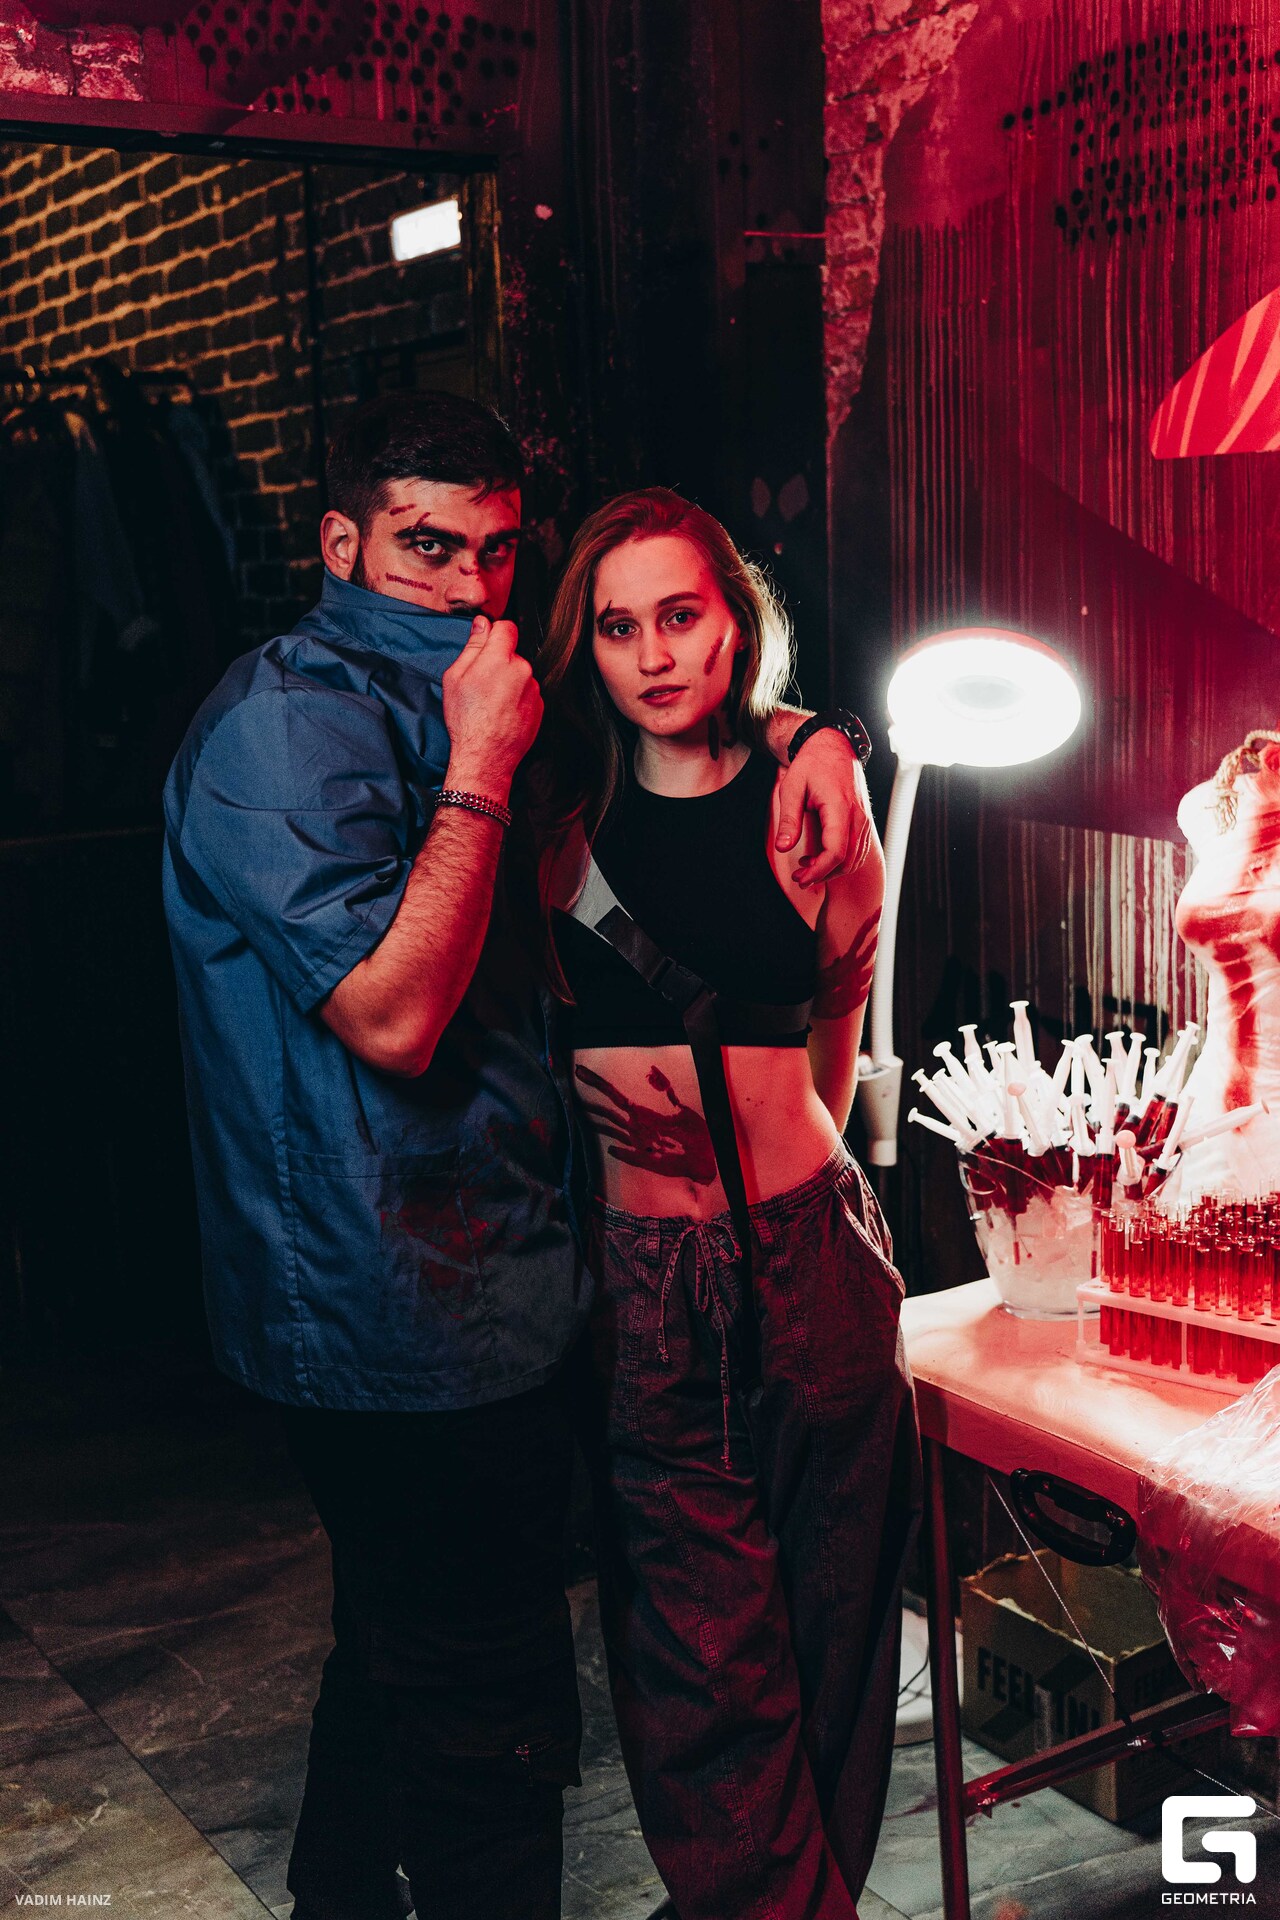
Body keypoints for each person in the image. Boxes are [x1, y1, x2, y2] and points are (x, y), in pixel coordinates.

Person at [161, 393, 873, 1920]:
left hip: (544, 1279)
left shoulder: (503, 705)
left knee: (400, 1662)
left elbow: (684, 721)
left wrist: (819, 732)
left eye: (494, 554)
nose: (466, 588)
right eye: (425, 549)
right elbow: (393, 1017)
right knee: (497, 1722)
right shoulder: (292, 723)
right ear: (340, 543)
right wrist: (483, 761)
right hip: (398, 1312)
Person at [537, 488, 923, 1920]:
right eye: (618, 626)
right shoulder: (551, 817)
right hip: (646, 1277)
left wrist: (821, 735)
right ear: (586, 646)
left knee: (835, 1619)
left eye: (680, 615)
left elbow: (834, 1038)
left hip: (810, 1247)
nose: (653, 655)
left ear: (734, 624)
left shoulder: (810, 803)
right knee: (699, 1650)